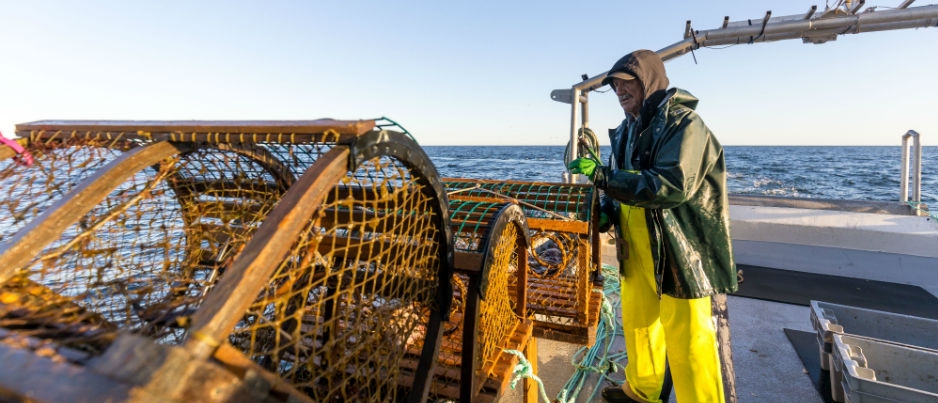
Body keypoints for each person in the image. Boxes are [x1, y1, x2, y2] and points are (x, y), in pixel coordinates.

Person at [567, 49, 738, 403]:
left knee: (689, 339)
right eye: (615, 85)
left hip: (679, 250)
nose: (619, 90)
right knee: (639, 324)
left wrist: (602, 175)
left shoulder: (685, 125)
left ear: (649, 80)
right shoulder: (629, 130)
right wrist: (606, 213)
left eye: (626, 82)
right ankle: (643, 391)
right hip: (636, 246)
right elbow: (622, 184)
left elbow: (671, 185)